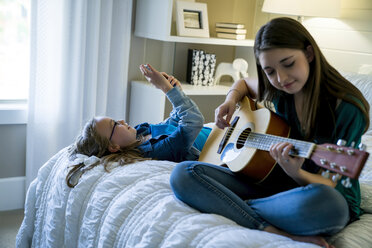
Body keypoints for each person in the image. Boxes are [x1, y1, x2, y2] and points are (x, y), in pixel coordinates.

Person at [170, 17, 370, 248]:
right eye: (270, 71)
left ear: (309, 54)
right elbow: (244, 83)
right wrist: (230, 100)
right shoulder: (278, 89)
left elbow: (331, 185)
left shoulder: (347, 108)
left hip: (319, 193)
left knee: (330, 207)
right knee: (183, 174)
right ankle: (273, 228)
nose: (281, 78)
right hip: (272, 181)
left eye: (288, 63)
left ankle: (230, 204)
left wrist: (295, 172)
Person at [66, 64, 211, 188]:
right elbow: (193, 122)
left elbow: (173, 124)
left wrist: (176, 90)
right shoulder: (154, 151)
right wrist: (167, 90)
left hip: (214, 131)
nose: (122, 121)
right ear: (114, 147)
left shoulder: (141, 132)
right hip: (216, 148)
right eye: (115, 125)